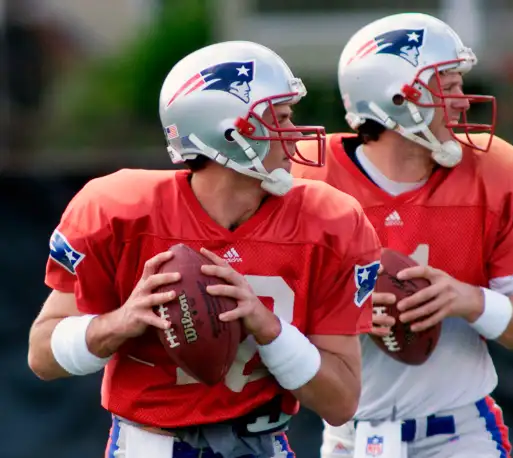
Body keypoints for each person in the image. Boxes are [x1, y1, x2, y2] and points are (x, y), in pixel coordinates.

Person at [27, 41, 382, 458]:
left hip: (264, 443)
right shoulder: (119, 211)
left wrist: (269, 330)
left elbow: (341, 403)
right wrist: (119, 323)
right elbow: (41, 355)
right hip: (148, 446)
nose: (295, 137)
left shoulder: (330, 220)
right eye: (282, 120)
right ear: (231, 133)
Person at [292, 13, 513, 458]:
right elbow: (260, 306)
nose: (463, 101)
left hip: (458, 433)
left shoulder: (496, 171)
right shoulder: (308, 176)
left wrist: (470, 300)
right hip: (349, 437)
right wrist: (342, 309)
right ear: (398, 97)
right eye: (449, 86)